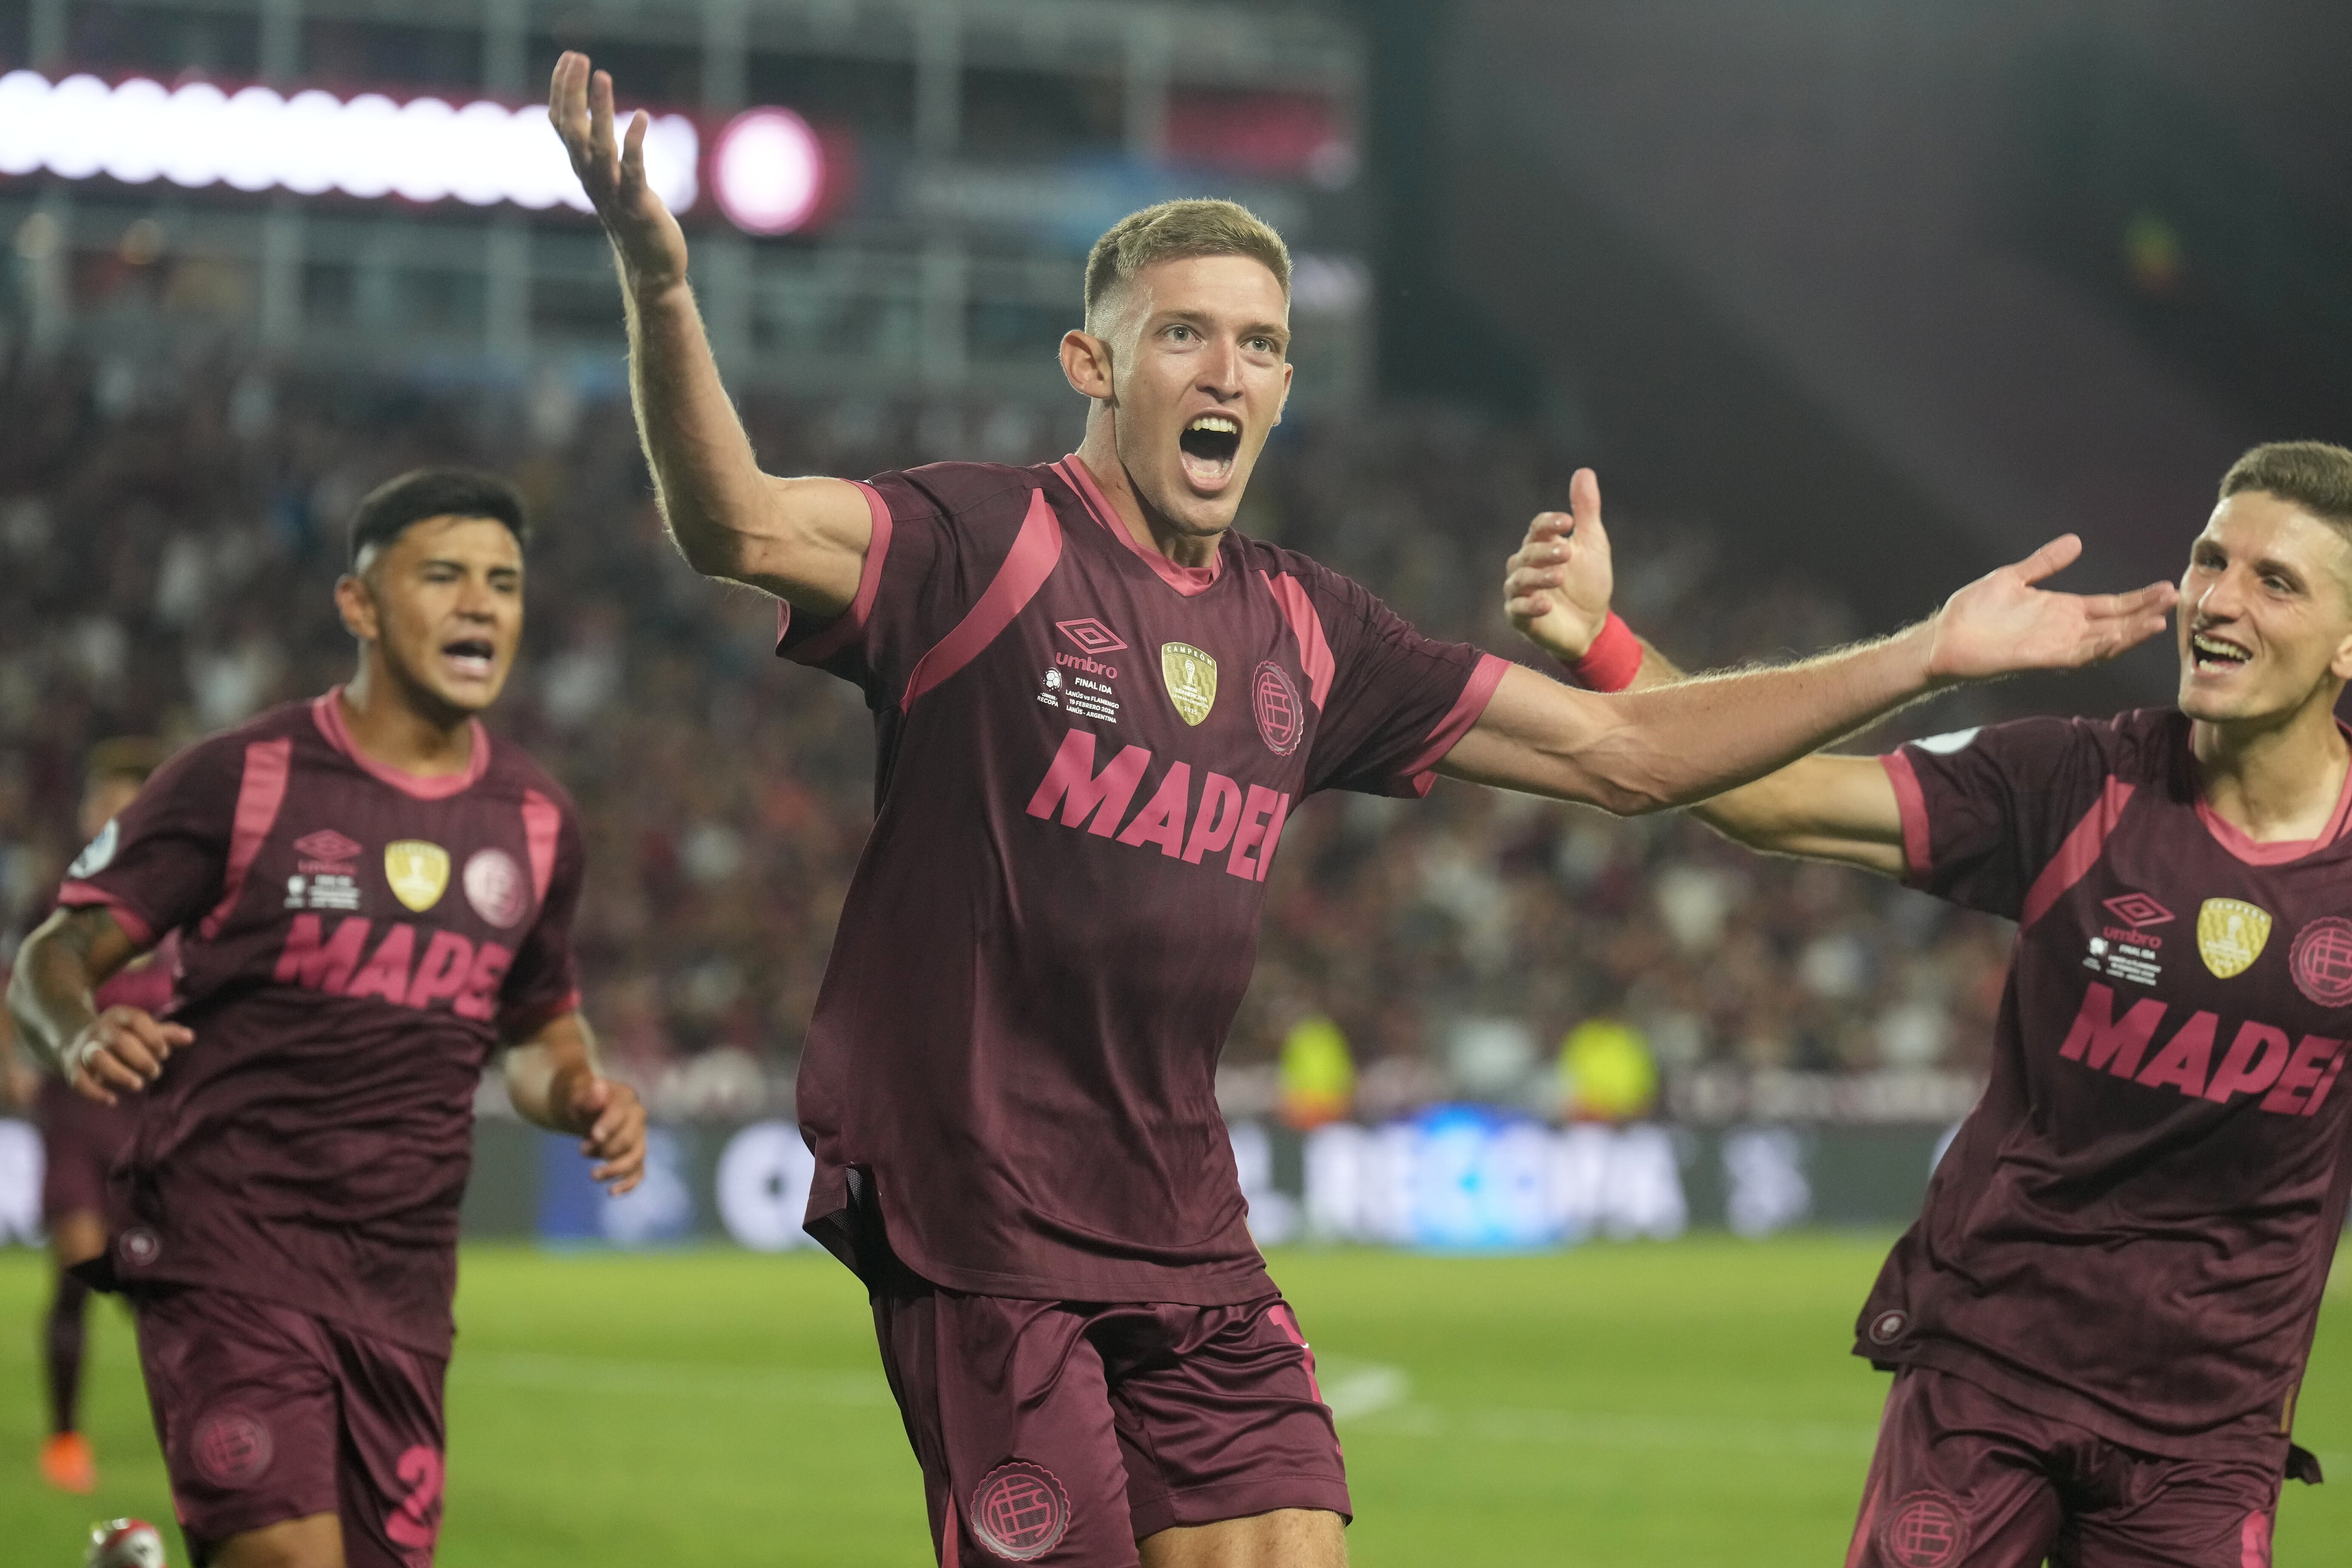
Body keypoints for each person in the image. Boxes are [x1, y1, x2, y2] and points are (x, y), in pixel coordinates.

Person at [550, 51, 2173, 1568]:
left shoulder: (1314, 630)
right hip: (983, 1215)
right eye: (1187, 332)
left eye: (1264, 344)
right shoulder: (984, 547)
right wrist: (661, 283)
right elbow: (739, 524)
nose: (1231, 370)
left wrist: (1928, 652)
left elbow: (1628, 757)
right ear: (1092, 363)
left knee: (1290, 1536)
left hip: (1183, 1221)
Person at [1502, 442, 2352, 1567]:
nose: (2218, 599)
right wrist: (1605, 646)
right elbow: (1783, 802)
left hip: (2209, 1432)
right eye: (2210, 560)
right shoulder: (2072, 781)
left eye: (2274, 580)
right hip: (1989, 1376)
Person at [8, 470, 648, 1568]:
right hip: (228, 1243)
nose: (479, 603)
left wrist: (582, 1092)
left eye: (502, 581)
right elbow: (53, 954)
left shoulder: (538, 822)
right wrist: (77, 1031)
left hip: (400, 1281)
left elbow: (540, 1030)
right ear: (358, 605)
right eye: (442, 575)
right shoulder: (240, 779)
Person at [0, 740, 174, 1492]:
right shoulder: (60, 901)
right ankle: (67, 1438)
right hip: (78, 1112)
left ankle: (195, 1424)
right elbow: (20, 982)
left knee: (156, 1286)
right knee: (80, 1266)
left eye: (124, 801)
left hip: (153, 1122)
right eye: (101, 801)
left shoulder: (184, 904)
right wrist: (12, 1060)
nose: (110, 814)